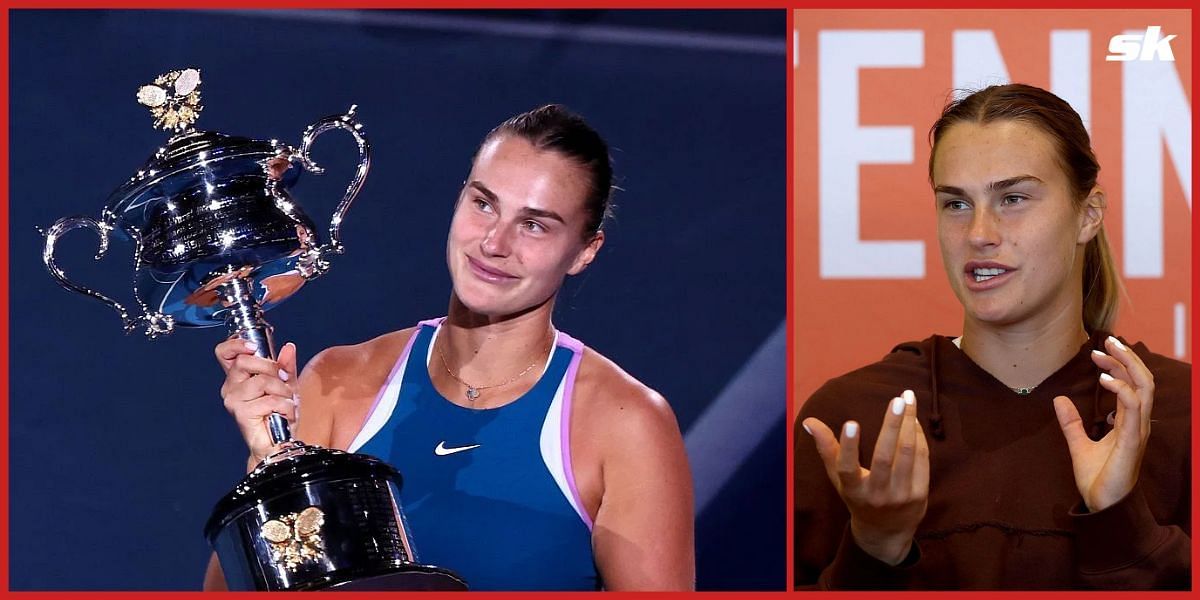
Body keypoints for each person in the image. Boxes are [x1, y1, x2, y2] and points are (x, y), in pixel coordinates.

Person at [204, 104, 695, 591]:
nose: (494, 243)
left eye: (534, 225)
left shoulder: (626, 424)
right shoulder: (338, 382)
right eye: (484, 204)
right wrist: (267, 471)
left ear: (585, 251)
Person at [794, 84, 1190, 589]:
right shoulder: (851, 417)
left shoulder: (1181, 413)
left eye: (1013, 198)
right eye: (956, 204)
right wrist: (874, 550)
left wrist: (1122, 521)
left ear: (1087, 215)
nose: (979, 233)